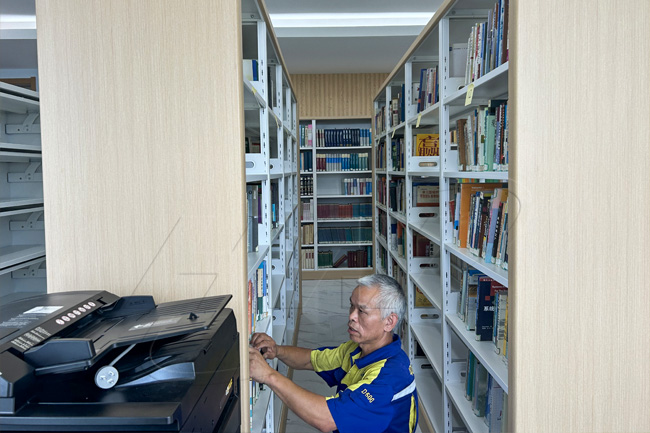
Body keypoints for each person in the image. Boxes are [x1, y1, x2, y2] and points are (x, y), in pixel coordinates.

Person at [249, 274, 418, 433]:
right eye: (351, 305)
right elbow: (310, 360)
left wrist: (268, 376)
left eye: (362, 311)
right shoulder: (357, 348)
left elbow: (327, 419)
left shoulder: (389, 379)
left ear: (389, 322)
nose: (351, 316)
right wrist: (277, 350)